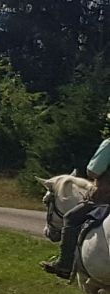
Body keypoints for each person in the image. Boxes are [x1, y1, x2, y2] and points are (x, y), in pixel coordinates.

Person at [41, 113, 110, 279]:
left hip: (105, 198)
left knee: (71, 218)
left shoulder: (109, 144)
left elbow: (93, 171)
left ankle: (64, 264)